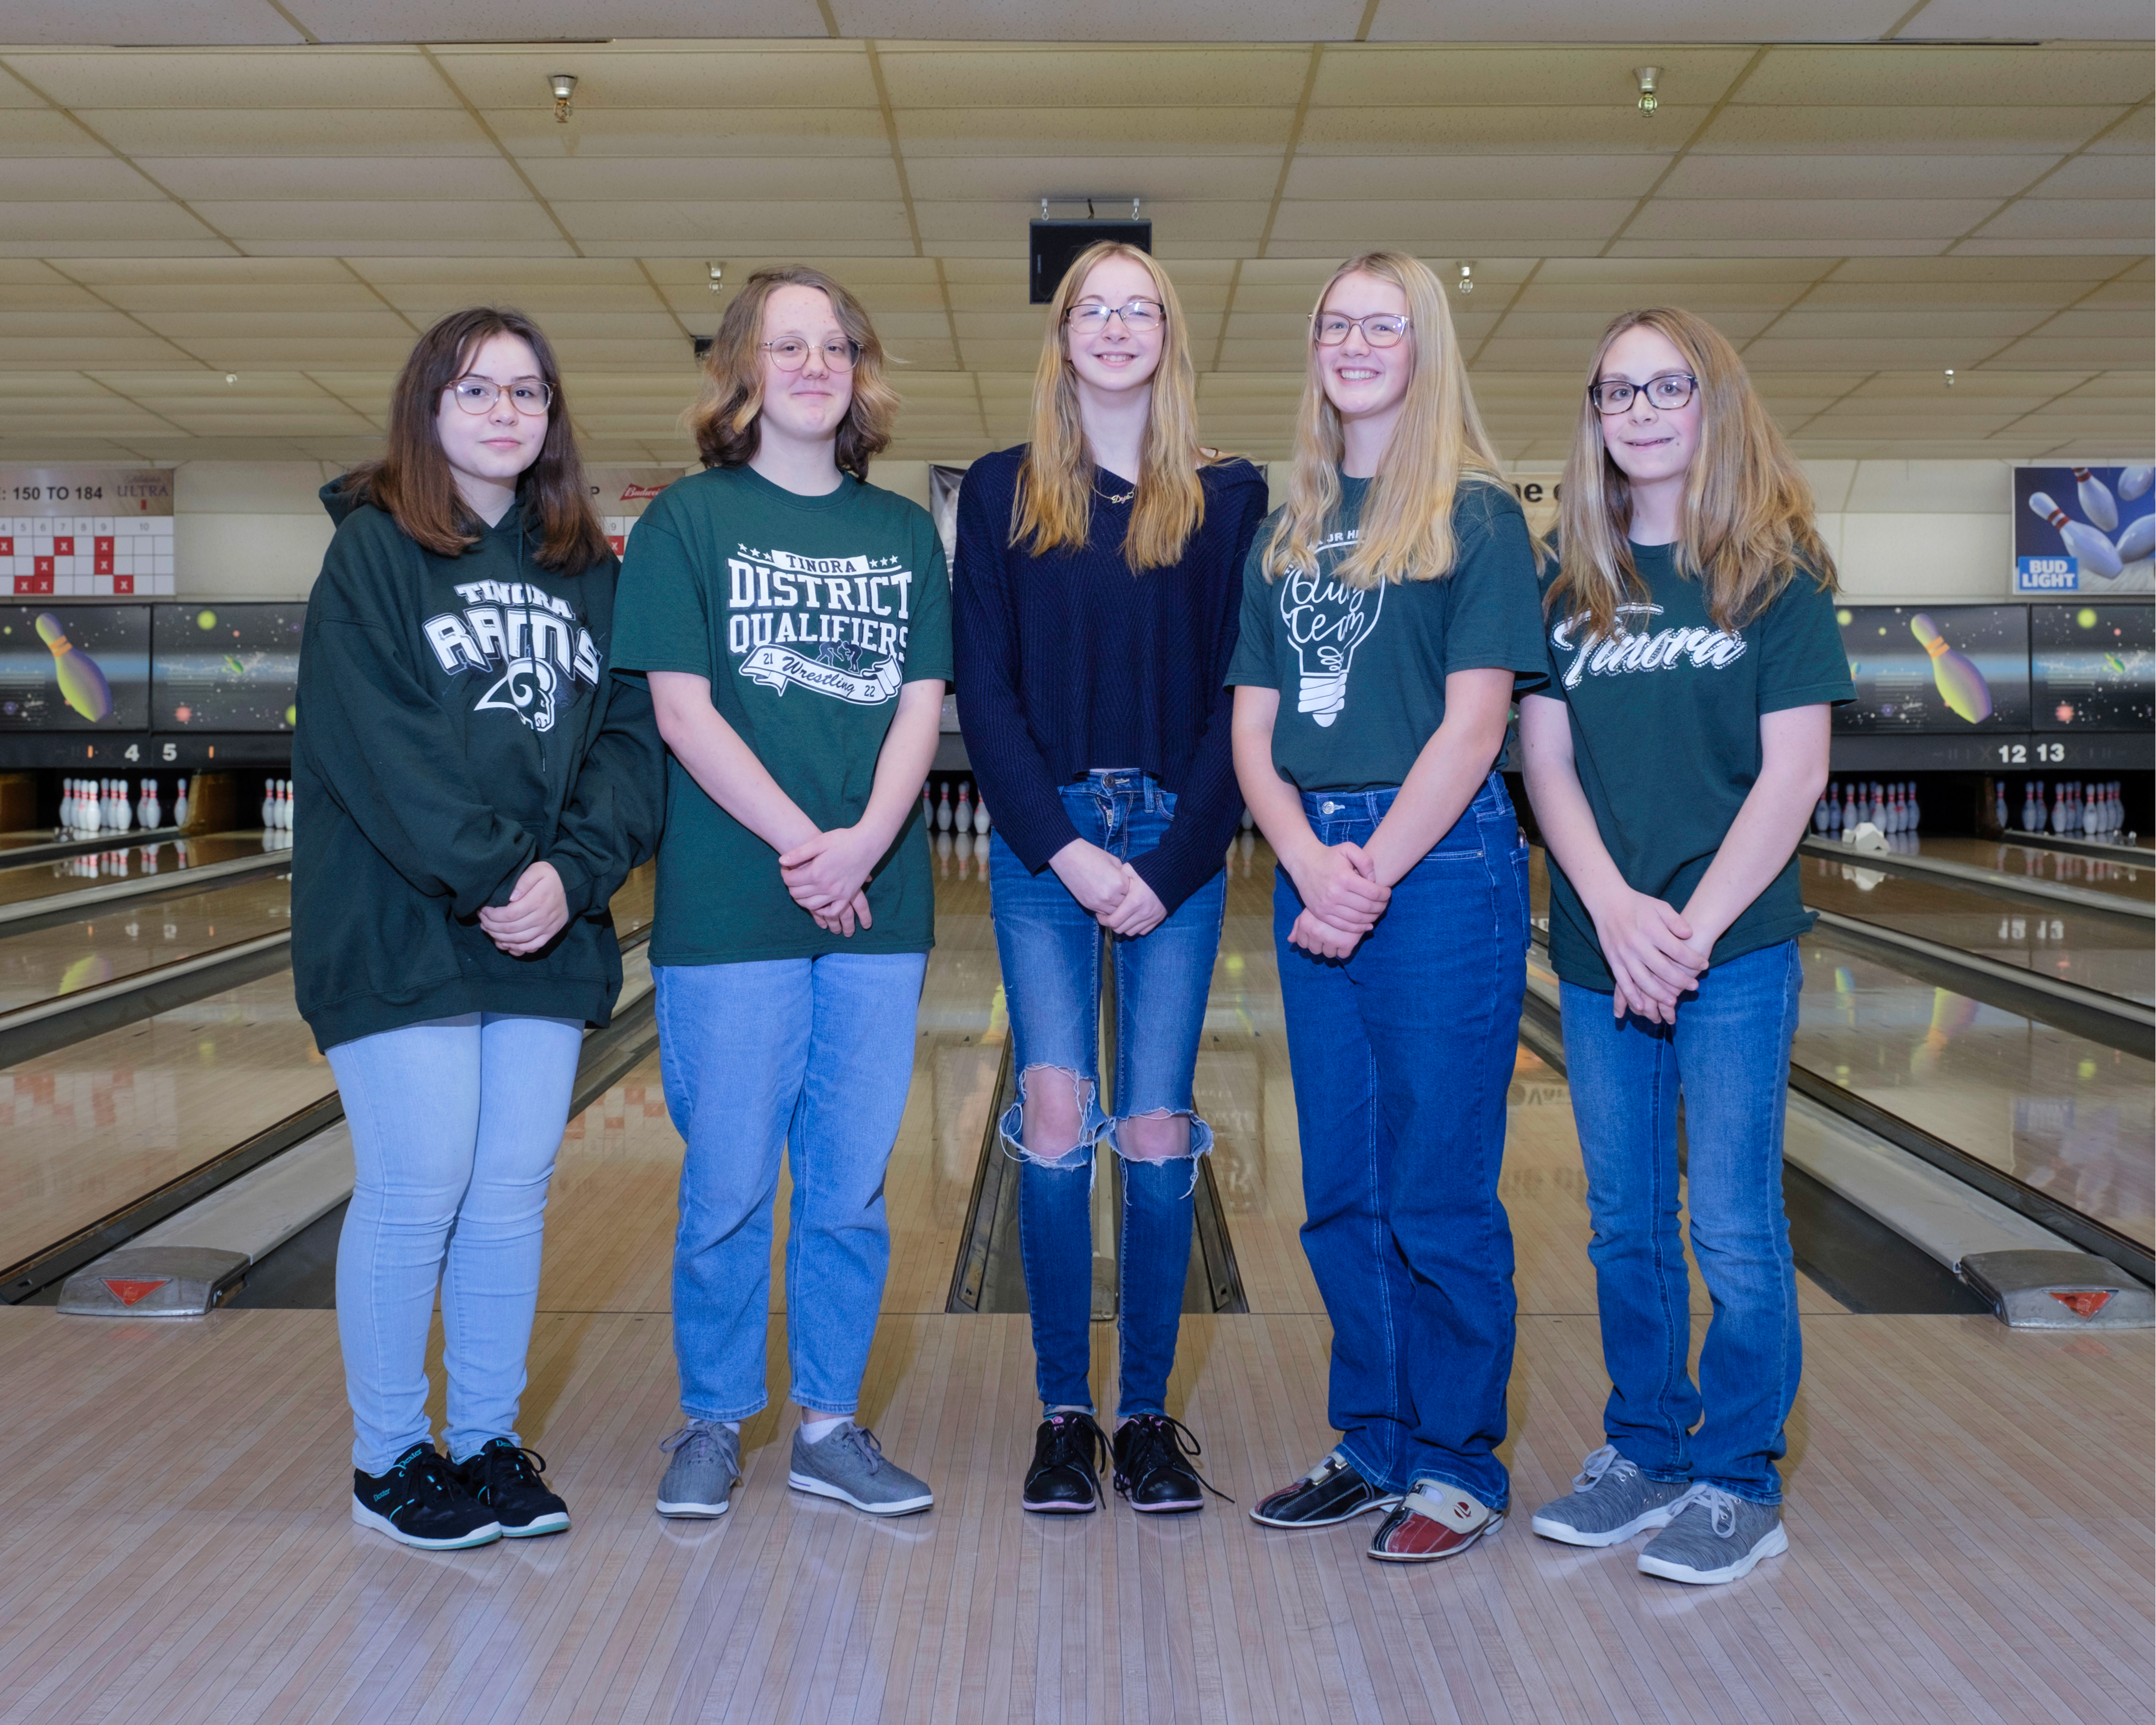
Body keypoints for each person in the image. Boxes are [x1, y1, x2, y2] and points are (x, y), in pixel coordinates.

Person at [293, 307, 665, 1550]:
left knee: (510, 1193)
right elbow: (377, 744)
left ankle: (492, 1441)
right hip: (400, 925)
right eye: (477, 391)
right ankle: (390, 1456)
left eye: (529, 393)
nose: (508, 412)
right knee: (417, 1186)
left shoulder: (588, 569)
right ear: (428, 410)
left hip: (548, 923)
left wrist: (573, 871)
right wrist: (506, 873)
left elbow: (628, 743)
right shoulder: (372, 556)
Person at [1518, 306, 1851, 1585]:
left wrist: (1692, 927)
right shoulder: (1567, 581)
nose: (1643, 411)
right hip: (1606, 945)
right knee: (1622, 1223)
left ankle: (1739, 1477)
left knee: (1731, 1225)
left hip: (1736, 948)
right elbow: (1546, 761)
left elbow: (1796, 770)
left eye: (1669, 387)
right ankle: (1648, 1449)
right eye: (1618, 391)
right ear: (1596, 417)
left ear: (1715, 403)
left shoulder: (1778, 571)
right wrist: (1612, 908)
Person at [612, 266, 950, 1519]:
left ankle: (828, 1424)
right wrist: (812, 842)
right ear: (743, 372)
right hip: (730, 901)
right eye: (786, 344)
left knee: (850, 1186)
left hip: (880, 902)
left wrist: (862, 842)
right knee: (731, 1179)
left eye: (836, 346)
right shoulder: (686, 524)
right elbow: (681, 713)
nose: (814, 365)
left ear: (861, 372)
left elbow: (923, 710)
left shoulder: (905, 531)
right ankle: (711, 1418)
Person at [1228, 252, 1546, 1563]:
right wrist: (1309, 854)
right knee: (1339, 1185)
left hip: (1441, 865)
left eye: (1385, 324)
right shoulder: (1287, 526)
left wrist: (1365, 875)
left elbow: (1478, 726)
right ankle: (1373, 1439)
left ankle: (1457, 1458)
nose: (1356, 342)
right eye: (1336, 323)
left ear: (1425, 349)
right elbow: (1252, 729)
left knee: (1438, 1188)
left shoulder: (1474, 515)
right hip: (1321, 860)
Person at [953, 242, 1269, 1514]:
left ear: (1169, 336)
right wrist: (1071, 848)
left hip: (1180, 837)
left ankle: (1143, 1415)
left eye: (1143, 309)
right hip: (1049, 841)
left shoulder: (1229, 496)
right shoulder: (999, 490)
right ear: (1064, 333)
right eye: (1097, 307)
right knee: (1051, 1125)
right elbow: (986, 689)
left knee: (1150, 1130)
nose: (1120, 326)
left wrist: (1173, 857)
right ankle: (1061, 1412)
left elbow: (1245, 694)